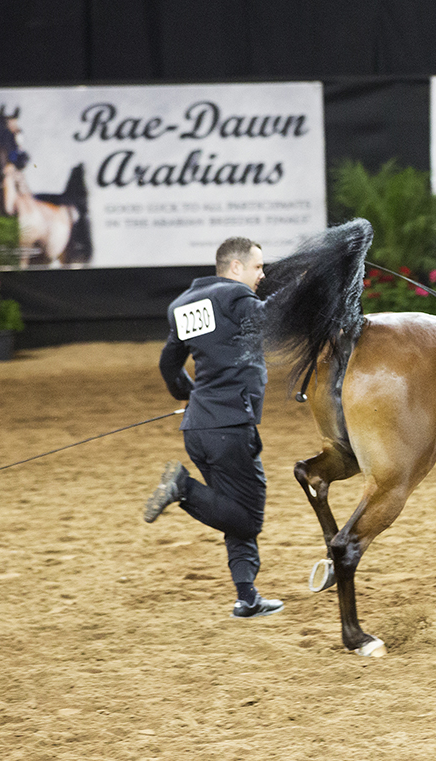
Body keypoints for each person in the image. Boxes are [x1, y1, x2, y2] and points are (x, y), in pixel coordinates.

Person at [144, 236, 283, 619]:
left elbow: (169, 364)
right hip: (230, 427)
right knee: (249, 518)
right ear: (236, 267)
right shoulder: (234, 296)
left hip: (199, 428)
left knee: (231, 510)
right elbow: (270, 319)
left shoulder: (183, 305)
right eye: (258, 267)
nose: (262, 274)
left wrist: (188, 395)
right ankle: (183, 488)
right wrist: (306, 285)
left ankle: (247, 597)